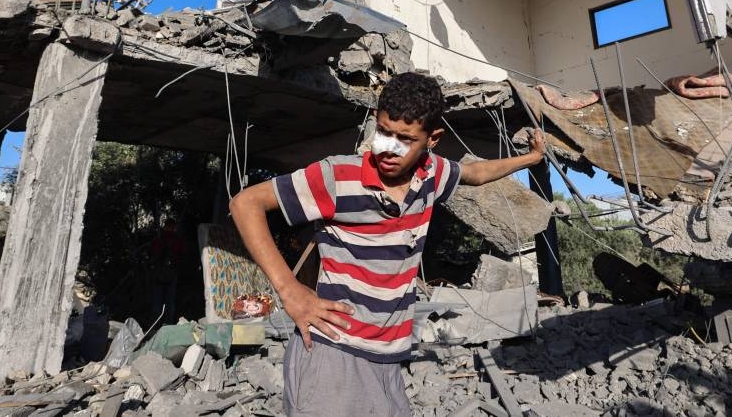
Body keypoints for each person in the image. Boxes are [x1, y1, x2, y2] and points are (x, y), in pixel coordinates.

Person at [230, 72, 546, 416]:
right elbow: (245, 204)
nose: (389, 149)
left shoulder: (433, 175)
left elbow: (477, 173)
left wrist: (530, 159)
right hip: (334, 354)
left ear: (433, 139)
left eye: (405, 139)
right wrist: (289, 290)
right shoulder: (337, 176)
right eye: (384, 132)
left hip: (388, 358)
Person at [150, 218, 187, 324]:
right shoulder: (161, 238)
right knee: (163, 302)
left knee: (166, 302)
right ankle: (158, 325)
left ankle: (163, 324)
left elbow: (182, 254)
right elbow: (154, 255)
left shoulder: (172, 239)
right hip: (162, 273)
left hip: (169, 273)